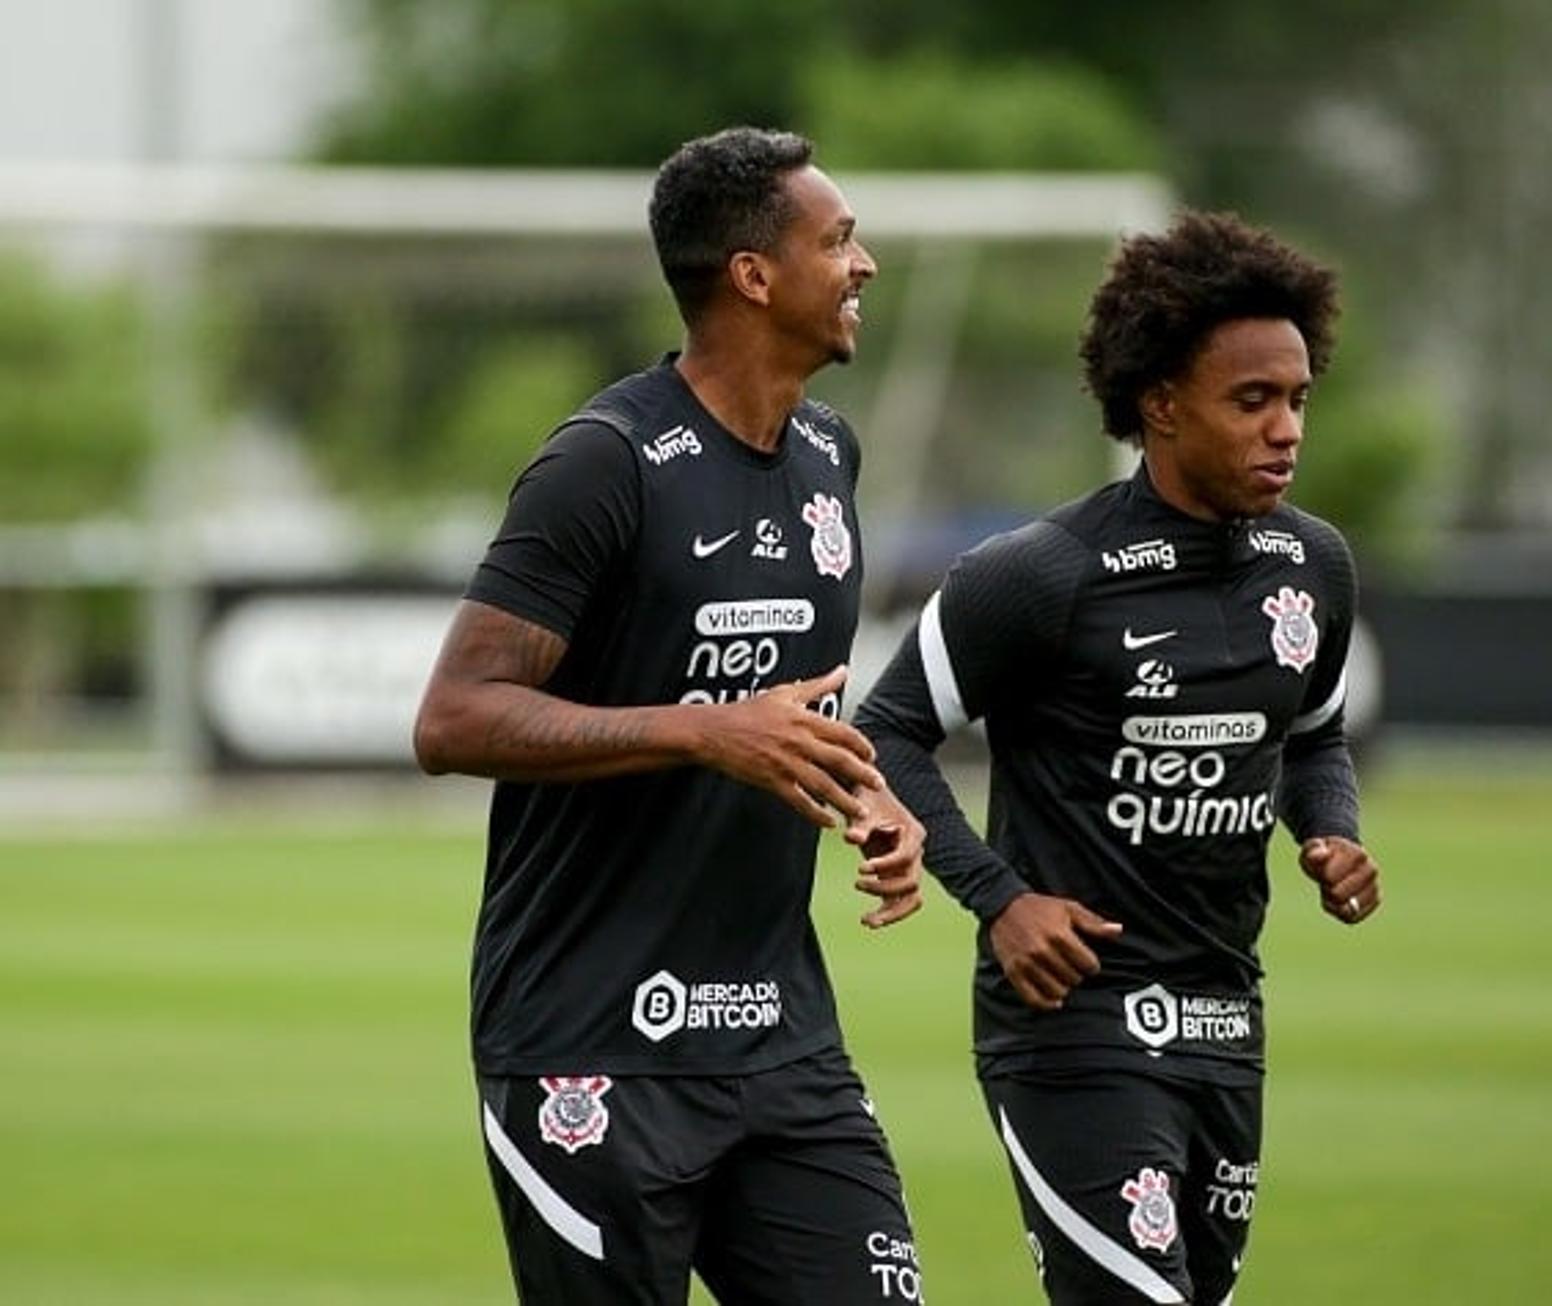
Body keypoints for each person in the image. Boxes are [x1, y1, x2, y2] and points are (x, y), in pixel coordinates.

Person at [413, 126, 929, 1305]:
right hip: (588, 1046)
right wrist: (700, 730)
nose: (866, 265)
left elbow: (784, 703)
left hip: (781, 1037)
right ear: (753, 275)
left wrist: (866, 793)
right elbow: (453, 718)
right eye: (838, 239)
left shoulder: (826, 453)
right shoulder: (606, 462)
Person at [855, 211, 1383, 1305]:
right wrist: (999, 899)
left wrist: (1330, 828)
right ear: (1160, 405)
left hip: (1228, 1016)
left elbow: (1315, 734)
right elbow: (887, 728)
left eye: (1296, 400)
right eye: (1252, 402)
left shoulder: (1314, 566)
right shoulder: (1041, 574)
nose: (1286, 429)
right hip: (1075, 1024)